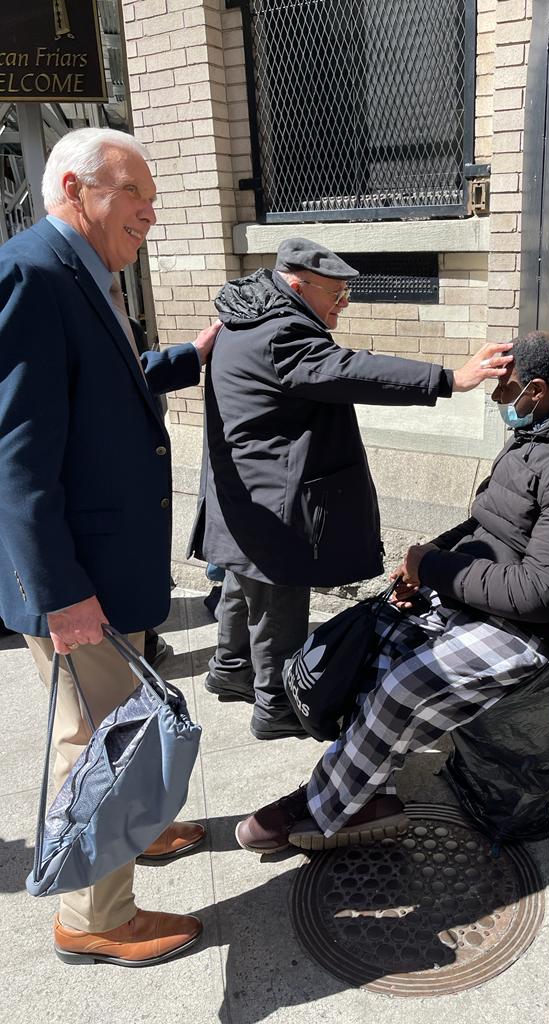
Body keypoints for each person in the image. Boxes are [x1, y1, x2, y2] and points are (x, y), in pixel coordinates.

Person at [233, 332, 549, 852]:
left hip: (533, 630)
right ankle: (368, 794)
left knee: (404, 686)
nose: (496, 399)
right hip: (485, 595)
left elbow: (541, 593)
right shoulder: (538, 434)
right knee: (375, 645)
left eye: (503, 389)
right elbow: (487, 523)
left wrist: (435, 568)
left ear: (536, 390)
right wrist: (422, 561)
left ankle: (324, 805)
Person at [0, 128, 220, 966]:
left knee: (117, 725)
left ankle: (139, 830)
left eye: (151, 199)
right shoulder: (31, 273)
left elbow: (99, 383)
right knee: (98, 740)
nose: (150, 213)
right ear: (73, 188)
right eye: (135, 194)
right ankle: (96, 917)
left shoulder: (80, 272)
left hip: (104, 567)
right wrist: (60, 591)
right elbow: (16, 458)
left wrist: (188, 357)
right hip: (77, 578)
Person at [188, 236, 514, 739]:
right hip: (272, 500)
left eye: (347, 293)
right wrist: (451, 378)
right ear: (298, 285)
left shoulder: (246, 316)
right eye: (335, 294)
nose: (344, 303)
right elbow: (351, 370)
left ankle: (231, 669)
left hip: (242, 490)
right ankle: (275, 707)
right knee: (278, 600)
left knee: (243, 578)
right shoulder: (283, 333)